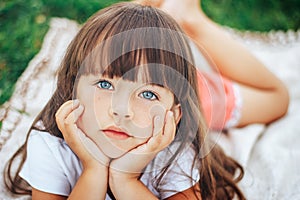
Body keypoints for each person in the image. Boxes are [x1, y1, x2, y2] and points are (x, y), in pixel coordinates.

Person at [4, 1, 289, 200]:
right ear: (71, 87)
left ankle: (190, 20)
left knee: (277, 100)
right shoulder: (52, 143)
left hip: (197, 93)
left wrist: (125, 177)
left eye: (147, 93)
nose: (121, 111)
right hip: (155, 76)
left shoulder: (175, 143)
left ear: (174, 114)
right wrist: (93, 169)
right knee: (127, 46)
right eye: (105, 83)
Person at [137, 0, 289, 130]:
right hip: (177, 95)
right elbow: (277, 98)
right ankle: (188, 20)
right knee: (277, 98)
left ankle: (150, 15)